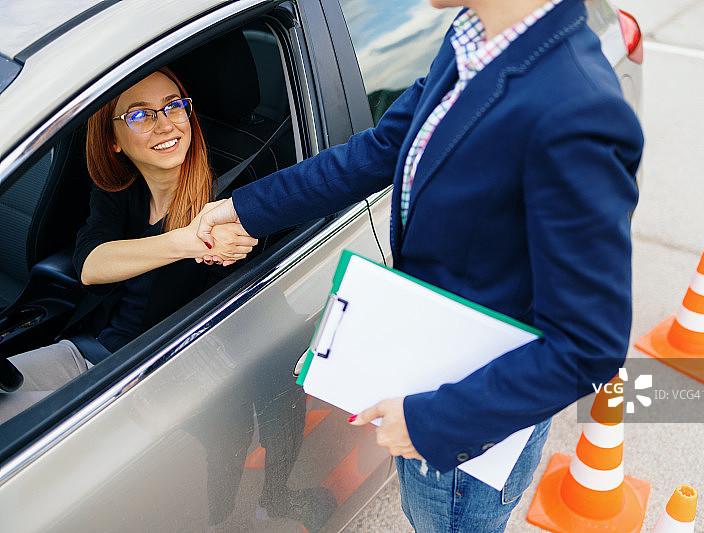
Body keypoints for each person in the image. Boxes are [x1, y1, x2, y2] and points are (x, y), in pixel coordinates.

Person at [197, 0, 643, 531]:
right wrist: (247, 208)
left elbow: (589, 346)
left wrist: (432, 424)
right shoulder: (473, 36)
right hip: (427, 373)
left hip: (467, 424)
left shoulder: (578, 112)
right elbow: (383, 148)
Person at [0, 67, 257, 422]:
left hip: (139, 380)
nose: (166, 125)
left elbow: (230, 328)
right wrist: (187, 241)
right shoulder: (120, 191)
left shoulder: (226, 207)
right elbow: (90, 266)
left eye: (174, 106)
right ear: (113, 141)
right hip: (87, 350)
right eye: (139, 115)